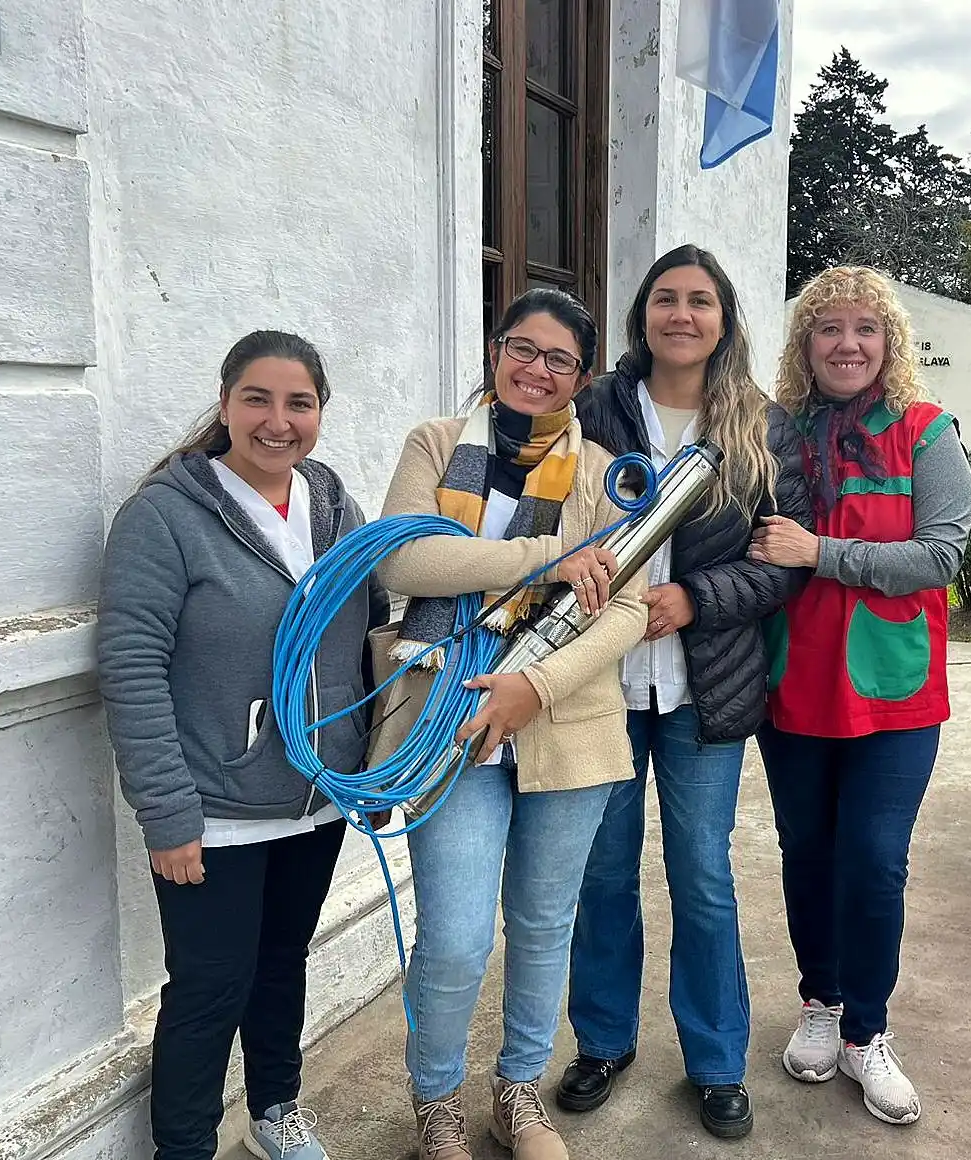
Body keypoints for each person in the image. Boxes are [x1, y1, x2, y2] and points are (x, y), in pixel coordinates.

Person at [97, 330, 388, 1160]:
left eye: (299, 403)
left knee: (280, 963)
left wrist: (373, 754)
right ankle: (183, 1147)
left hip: (316, 795)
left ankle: (274, 1110)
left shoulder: (333, 504)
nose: (277, 421)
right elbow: (131, 667)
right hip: (214, 811)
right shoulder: (165, 516)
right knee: (207, 987)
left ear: (320, 413)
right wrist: (166, 811)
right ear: (224, 404)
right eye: (257, 399)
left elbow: (370, 625)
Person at [372, 288, 647, 1160]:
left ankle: (519, 1094)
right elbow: (404, 557)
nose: (536, 369)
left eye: (558, 359)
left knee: (542, 923)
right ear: (495, 353)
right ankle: (438, 1104)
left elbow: (629, 608)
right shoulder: (435, 445)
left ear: (581, 376)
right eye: (521, 348)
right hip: (445, 716)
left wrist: (535, 685)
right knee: (453, 938)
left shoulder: (606, 474)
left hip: (566, 724)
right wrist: (551, 558)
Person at [556, 244, 814, 1139]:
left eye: (700, 301)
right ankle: (603, 1041)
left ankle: (715, 1058)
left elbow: (781, 566)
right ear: (642, 317)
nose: (682, 315)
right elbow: (551, 525)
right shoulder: (592, 411)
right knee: (601, 872)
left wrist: (693, 599)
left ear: (724, 319)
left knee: (702, 876)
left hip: (706, 690)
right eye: (666, 299)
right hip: (598, 685)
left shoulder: (761, 425)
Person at [751, 266, 971, 1126]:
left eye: (864, 330)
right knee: (807, 849)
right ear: (806, 346)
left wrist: (822, 553)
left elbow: (939, 557)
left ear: (889, 343)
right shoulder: (780, 436)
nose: (847, 345)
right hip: (796, 684)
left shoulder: (925, 432)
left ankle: (866, 1035)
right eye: (828, 330)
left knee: (874, 862)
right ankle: (820, 1002)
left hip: (892, 692)